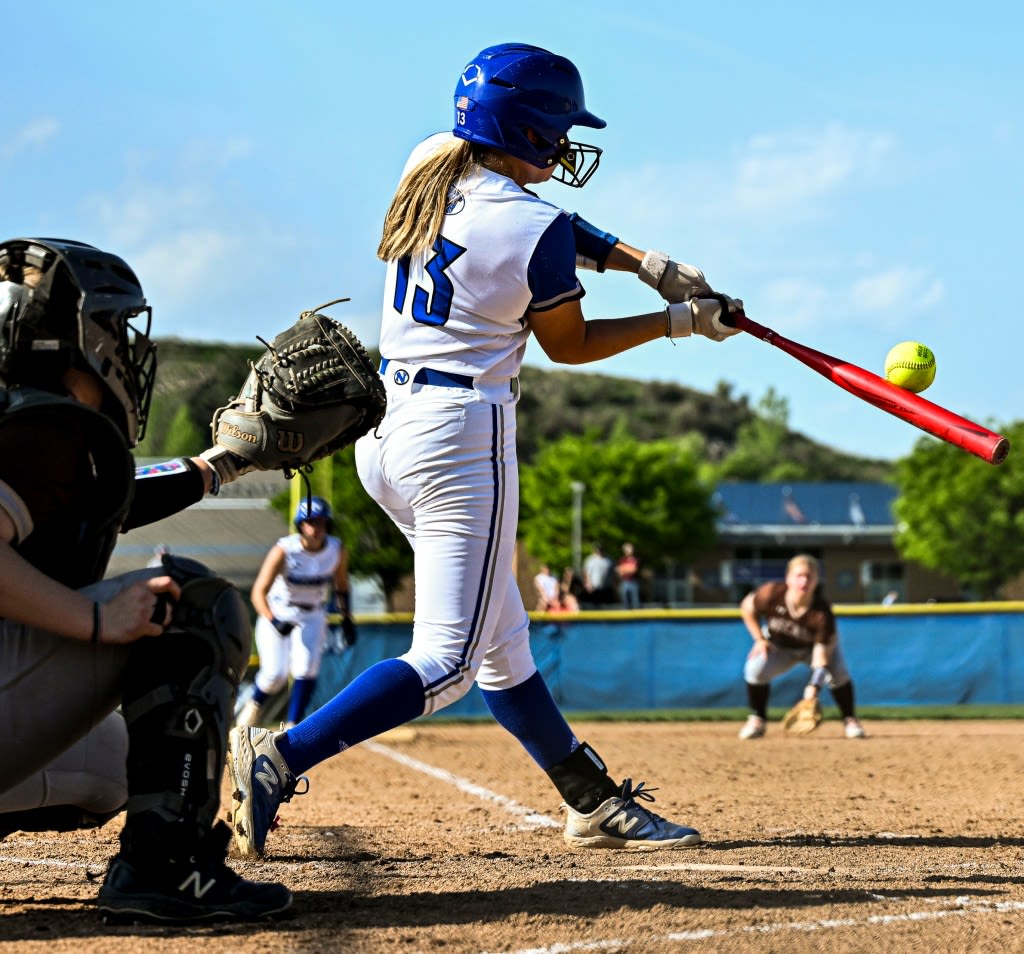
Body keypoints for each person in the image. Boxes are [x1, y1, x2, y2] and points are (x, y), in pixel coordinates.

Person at [228, 41, 744, 858]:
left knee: (502, 641)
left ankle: (589, 798)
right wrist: (679, 319)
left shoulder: (428, 163)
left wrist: (649, 264)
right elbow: (569, 343)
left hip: (385, 431)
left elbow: (546, 226)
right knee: (450, 661)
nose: (565, 141)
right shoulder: (533, 225)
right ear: (532, 129)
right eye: (558, 127)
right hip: (460, 443)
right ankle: (281, 754)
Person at [0, 237, 291, 922]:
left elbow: (116, 497)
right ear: (66, 337)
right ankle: (167, 868)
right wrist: (98, 622)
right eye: (113, 328)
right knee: (187, 603)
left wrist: (222, 464)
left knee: (110, 766)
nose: (124, 348)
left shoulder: (26, 427)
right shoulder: (42, 431)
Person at [236, 496, 353, 729]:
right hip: (279, 611)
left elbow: (341, 586)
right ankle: (250, 713)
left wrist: (347, 618)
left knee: (307, 667)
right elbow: (258, 592)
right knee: (274, 675)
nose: (315, 528)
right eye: (310, 522)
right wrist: (273, 619)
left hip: (313, 614)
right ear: (300, 524)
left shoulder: (335, 550)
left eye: (320, 522)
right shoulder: (284, 550)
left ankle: (293, 725)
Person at [737, 554, 866, 740]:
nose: (804, 581)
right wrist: (759, 639)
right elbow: (746, 607)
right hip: (778, 646)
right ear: (788, 578)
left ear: (816, 581)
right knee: (755, 668)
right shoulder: (771, 593)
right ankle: (757, 719)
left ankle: (850, 719)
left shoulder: (822, 612)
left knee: (838, 672)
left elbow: (821, 658)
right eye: (799, 575)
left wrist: (813, 687)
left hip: (812, 650)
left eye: (809, 576)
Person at [616, 542, 640, 609]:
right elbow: (618, 571)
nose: (629, 550)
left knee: (635, 602)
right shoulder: (622, 559)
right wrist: (627, 568)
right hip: (624, 582)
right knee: (624, 602)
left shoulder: (635, 559)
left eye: (630, 549)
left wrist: (624, 568)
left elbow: (633, 570)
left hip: (633, 582)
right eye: (627, 549)